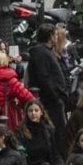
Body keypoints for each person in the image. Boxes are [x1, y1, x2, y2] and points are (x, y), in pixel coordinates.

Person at [28, 25, 68, 155]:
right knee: (57, 131)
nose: (57, 37)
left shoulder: (46, 52)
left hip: (54, 98)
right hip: (50, 100)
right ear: (50, 36)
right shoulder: (42, 53)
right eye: (55, 35)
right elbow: (44, 77)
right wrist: (55, 95)